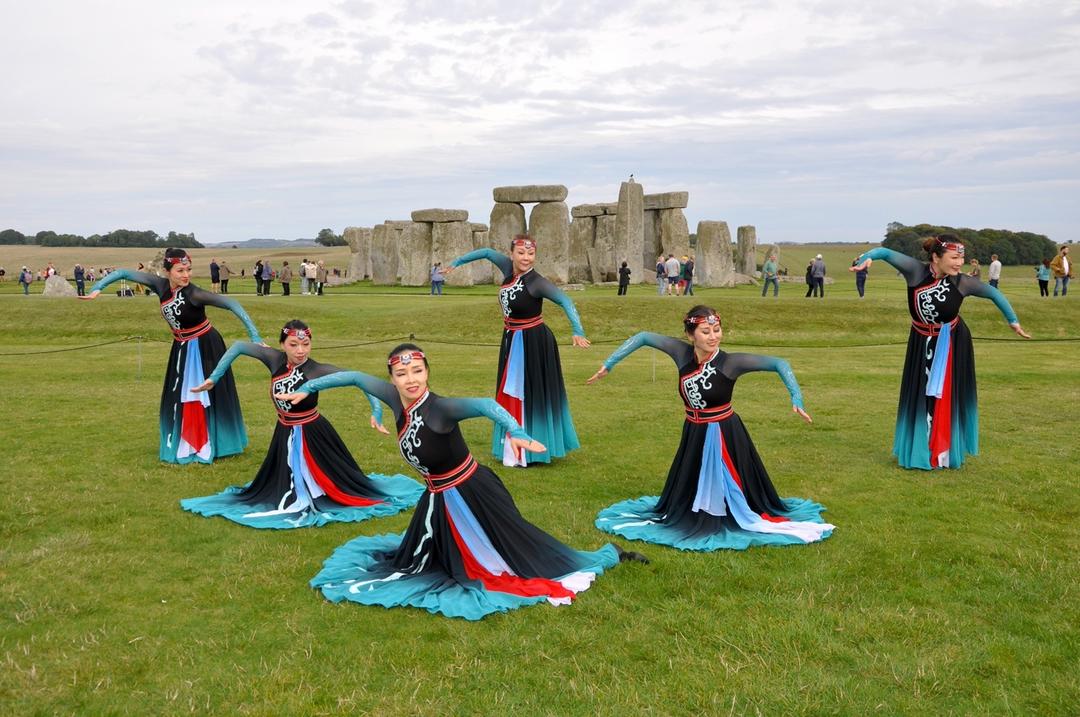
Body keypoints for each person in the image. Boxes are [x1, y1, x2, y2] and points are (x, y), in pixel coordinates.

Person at [276, 345, 645, 620]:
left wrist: (514, 430)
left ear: (427, 373)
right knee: (420, 561)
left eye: (417, 371)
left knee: (515, 553)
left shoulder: (441, 408)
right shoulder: (395, 399)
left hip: (472, 493)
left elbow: (485, 403)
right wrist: (309, 388)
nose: (410, 380)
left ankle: (609, 555)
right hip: (437, 499)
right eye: (402, 374)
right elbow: (354, 378)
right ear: (392, 379)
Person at [586, 306, 833, 550]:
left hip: (724, 433)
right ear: (690, 334)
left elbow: (780, 363)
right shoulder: (681, 354)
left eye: (716, 330)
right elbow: (642, 337)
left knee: (733, 489)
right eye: (705, 332)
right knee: (688, 488)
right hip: (693, 431)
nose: (713, 336)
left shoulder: (731, 363)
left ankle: (726, 511)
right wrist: (609, 364)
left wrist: (796, 398)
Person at [181, 321, 423, 528]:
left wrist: (376, 410)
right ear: (283, 344)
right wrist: (214, 377)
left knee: (334, 486)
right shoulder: (273, 359)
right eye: (293, 345)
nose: (300, 351)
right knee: (278, 485)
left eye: (305, 344)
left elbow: (358, 380)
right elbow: (238, 347)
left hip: (313, 434)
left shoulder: (317, 369)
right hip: (284, 431)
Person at [852, 236, 1030, 470]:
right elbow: (884, 252)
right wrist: (866, 258)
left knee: (945, 395)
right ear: (936, 257)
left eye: (962, 258)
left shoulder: (963, 282)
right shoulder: (915, 271)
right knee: (920, 394)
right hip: (920, 340)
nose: (959, 263)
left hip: (952, 342)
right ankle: (920, 450)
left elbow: (994, 294)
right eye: (954, 257)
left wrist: (1013, 321)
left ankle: (943, 452)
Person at [82, 248, 262, 464]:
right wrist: (96, 289)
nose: (186, 275)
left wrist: (254, 335)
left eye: (188, 269)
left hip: (206, 346)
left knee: (203, 394)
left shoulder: (195, 293)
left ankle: (212, 442)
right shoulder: (160, 286)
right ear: (167, 271)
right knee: (181, 394)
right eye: (180, 270)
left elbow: (232, 304)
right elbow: (122, 273)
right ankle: (186, 440)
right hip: (182, 347)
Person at [446, 235, 589, 466]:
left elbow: (566, 301)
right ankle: (514, 448)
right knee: (511, 392)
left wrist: (577, 330)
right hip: (512, 339)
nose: (525, 258)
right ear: (511, 254)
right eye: (521, 253)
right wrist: (457, 262)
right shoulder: (507, 269)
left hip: (534, 342)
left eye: (530, 254)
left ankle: (532, 451)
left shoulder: (537, 281)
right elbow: (485, 252)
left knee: (530, 394)